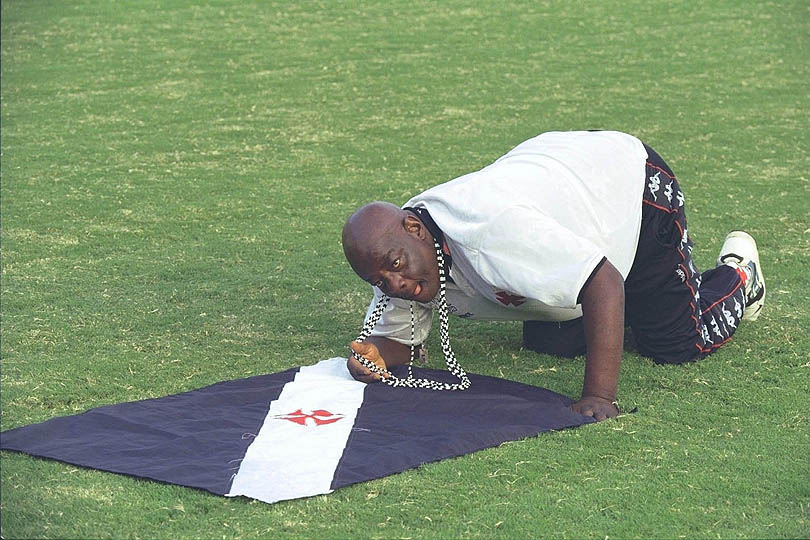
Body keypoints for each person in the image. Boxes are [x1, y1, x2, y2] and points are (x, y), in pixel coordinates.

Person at [341, 130, 765, 421]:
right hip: (568, 190)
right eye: (379, 281)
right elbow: (400, 345)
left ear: (415, 231)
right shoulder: (400, 255)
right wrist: (376, 354)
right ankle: (628, 307)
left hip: (630, 183)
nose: (393, 285)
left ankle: (739, 277)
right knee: (554, 335)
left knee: (674, 343)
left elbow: (602, 280)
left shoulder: (492, 230)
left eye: (394, 268)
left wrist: (599, 397)